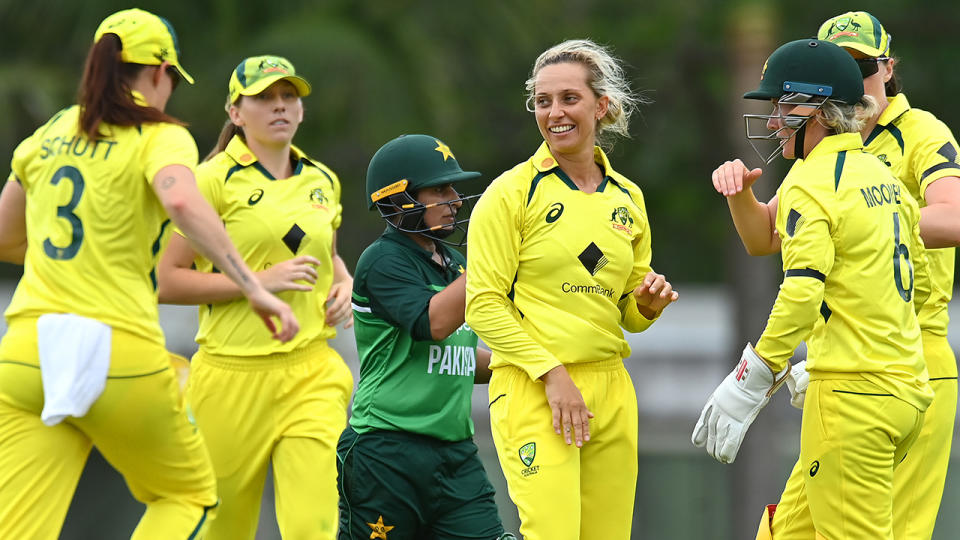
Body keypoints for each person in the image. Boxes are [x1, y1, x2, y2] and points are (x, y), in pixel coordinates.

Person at [0, 9, 298, 540]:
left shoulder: (49, 133)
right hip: (116, 348)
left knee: (19, 528)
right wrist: (254, 287)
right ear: (159, 73)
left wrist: (75, 260)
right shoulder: (159, 134)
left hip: (27, 352)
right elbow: (182, 199)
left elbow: (5, 236)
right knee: (187, 496)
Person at [710, 12, 960, 540]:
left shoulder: (913, 136)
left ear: (886, 69)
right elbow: (766, 238)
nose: (774, 118)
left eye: (859, 65)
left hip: (889, 368)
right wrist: (740, 197)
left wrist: (754, 376)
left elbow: (953, 218)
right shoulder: (844, 166)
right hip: (868, 367)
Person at [465, 39, 679, 540]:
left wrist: (646, 305)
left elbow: (625, 307)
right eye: (543, 102)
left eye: (568, 99)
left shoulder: (629, 197)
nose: (554, 113)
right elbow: (483, 305)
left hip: (611, 387)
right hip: (534, 386)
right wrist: (552, 374)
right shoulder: (511, 193)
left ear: (601, 106)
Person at [157, 55, 353, 540]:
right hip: (229, 378)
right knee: (223, 529)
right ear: (236, 112)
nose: (280, 106)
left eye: (289, 96)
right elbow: (167, 281)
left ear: (302, 110)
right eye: (263, 97)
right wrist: (258, 282)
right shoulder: (209, 180)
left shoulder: (322, 180)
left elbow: (328, 255)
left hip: (311, 371)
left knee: (316, 527)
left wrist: (344, 282)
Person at [336, 134, 515, 540]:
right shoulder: (382, 260)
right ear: (399, 199)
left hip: (455, 453)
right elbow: (433, 324)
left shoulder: (456, 264)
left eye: (453, 187)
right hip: (387, 453)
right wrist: (493, 258)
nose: (454, 198)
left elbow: (462, 354)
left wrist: (536, 364)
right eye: (440, 188)